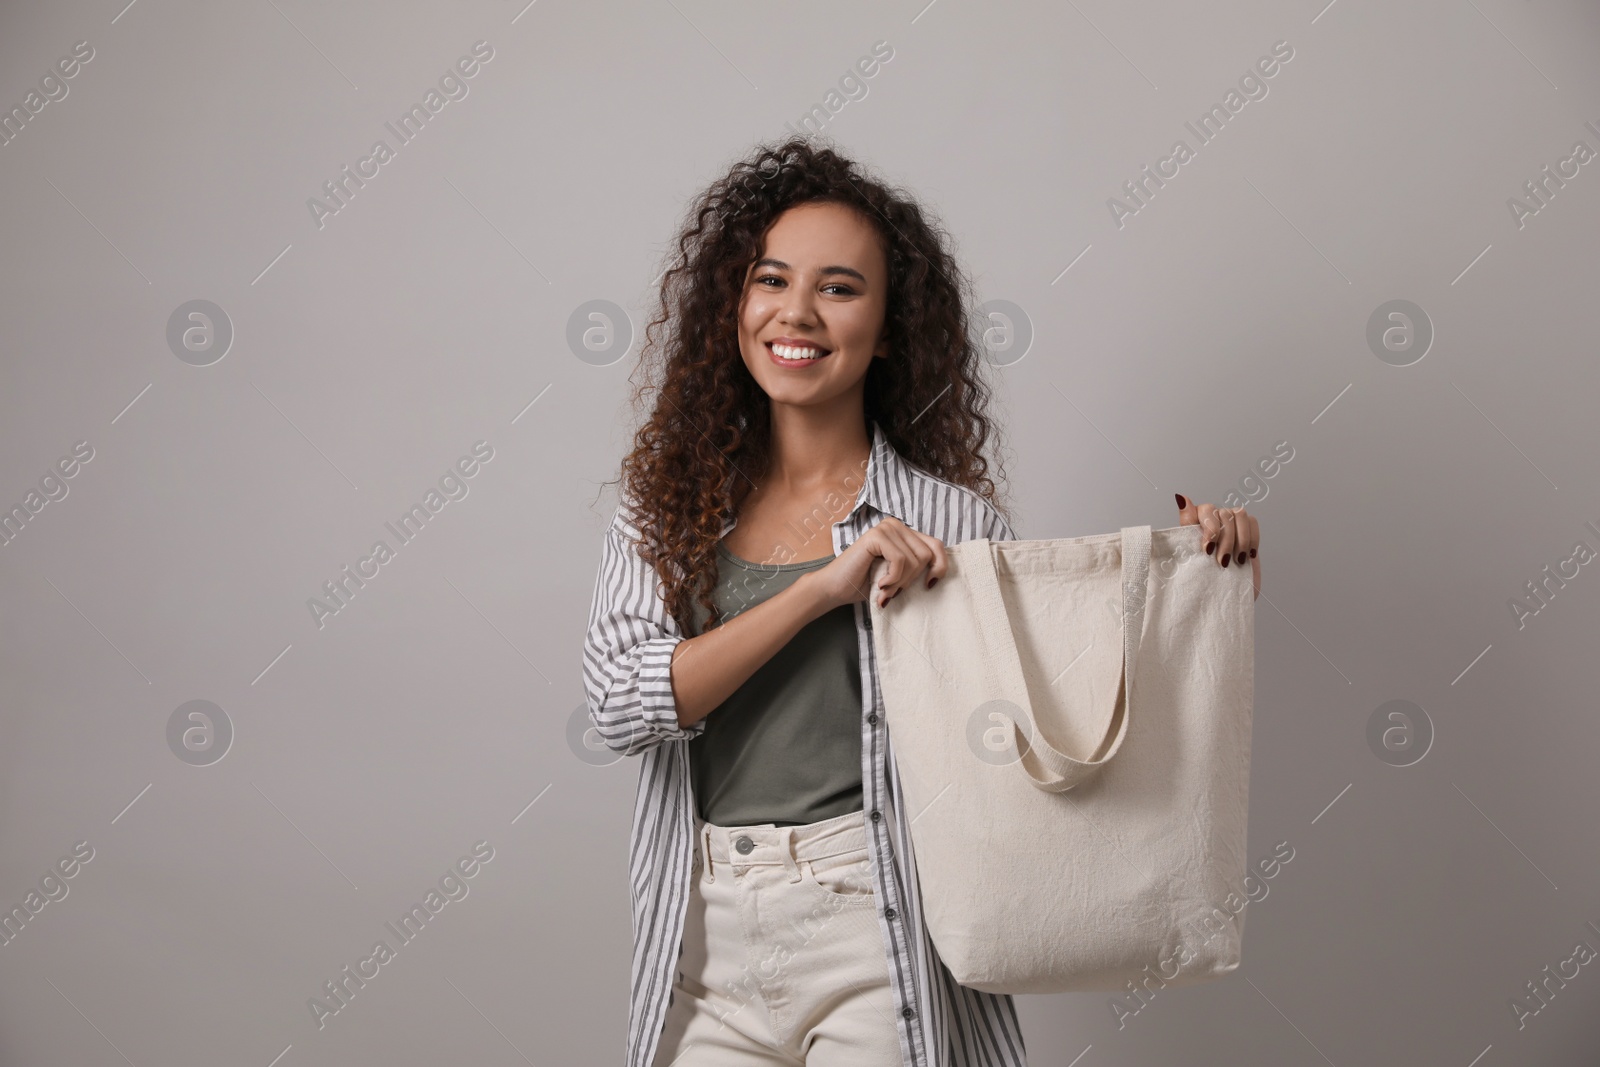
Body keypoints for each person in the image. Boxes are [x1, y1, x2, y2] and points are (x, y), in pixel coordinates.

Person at [582, 136, 1262, 1067]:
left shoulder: (949, 521)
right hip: (705, 933)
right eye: (771, 279)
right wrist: (822, 590)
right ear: (732, 306)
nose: (797, 312)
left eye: (840, 287)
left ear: (890, 325)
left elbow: (1051, 719)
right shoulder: (660, 501)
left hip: (876, 921)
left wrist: (1194, 577)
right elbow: (624, 703)